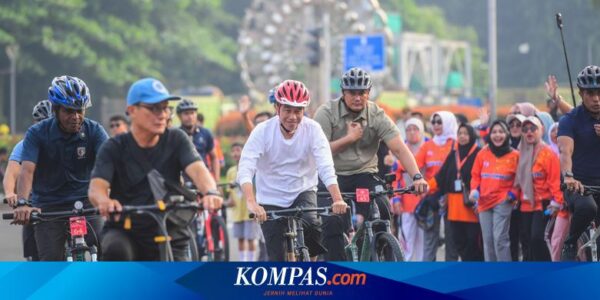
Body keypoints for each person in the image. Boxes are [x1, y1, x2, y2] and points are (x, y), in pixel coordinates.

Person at [88, 77, 223, 261]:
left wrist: (211, 192)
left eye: (165, 108)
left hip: (171, 228)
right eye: (153, 108)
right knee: (115, 250)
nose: (162, 114)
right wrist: (104, 201)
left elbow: (198, 170)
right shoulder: (113, 147)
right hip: (127, 229)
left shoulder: (177, 139)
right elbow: (97, 188)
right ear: (132, 111)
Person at [313, 67, 428, 261]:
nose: (357, 98)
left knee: (382, 209)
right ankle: (339, 271)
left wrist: (417, 176)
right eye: (352, 93)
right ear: (343, 93)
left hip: (364, 175)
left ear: (369, 92)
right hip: (332, 177)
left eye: (362, 93)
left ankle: (382, 258)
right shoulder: (326, 113)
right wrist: (349, 139)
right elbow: (317, 152)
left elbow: (399, 148)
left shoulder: (376, 114)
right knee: (331, 224)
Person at [237, 80, 348, 261]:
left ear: (304, 110)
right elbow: (246, 168)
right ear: (277, 108)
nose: (293, 117)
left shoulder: (313, 130)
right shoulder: (262, 131)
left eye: (298, 111)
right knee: (277, 257)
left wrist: (337, 199)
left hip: (302, 190)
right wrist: (252, 202)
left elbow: (326, 166)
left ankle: (309, 264)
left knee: (313, 226)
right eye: (287, 110)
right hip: (270, 197)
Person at [13, 76, 108, 261]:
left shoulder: (94, 130)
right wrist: (23, 203)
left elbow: (109, 163)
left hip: (87, 204)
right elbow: (27, 171)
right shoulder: (37, 133)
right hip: (49, 207)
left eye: (80, 110)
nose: (76, 117)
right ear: (55, 110)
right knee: (50, 266)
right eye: (69, 111)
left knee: (110, 250)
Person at [558, 65, 600, 261]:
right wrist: (568, 175)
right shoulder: (570, 119)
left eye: (599, 93)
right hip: (578, 185)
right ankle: (570, 242)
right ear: (581, 93)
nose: (596, 99)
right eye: (590, 93)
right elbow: (565, 151)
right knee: (588, 208)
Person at [3, 100, 53, 261]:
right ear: (35, 123)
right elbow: (11, 173)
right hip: (35, 200)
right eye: (41, 122)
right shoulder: (25, 145)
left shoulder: (71, 140)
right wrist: (11, 193)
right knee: (32, 235)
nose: (46, 128)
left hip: (66, 197)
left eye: (50, 122)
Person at [469, 120, 520, 262]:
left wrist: (513, 194)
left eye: (501, 132)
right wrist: (474, 190)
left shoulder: (515, 155)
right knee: (488, 240)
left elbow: (520, 178)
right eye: (494, 132)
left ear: (507, 134)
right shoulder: (483, 153)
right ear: (490, 135)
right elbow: (475, 175)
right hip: (483, 201)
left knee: (500, 239)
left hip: (503, 200)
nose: (498, 135)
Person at [432, 123, 483, 261]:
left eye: (466, 133)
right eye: (460, 133)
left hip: (471, 207)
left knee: (473, 242)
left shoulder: (479, 153)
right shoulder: (454, 154)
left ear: (471, 135)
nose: (462, 136)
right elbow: (440, 176)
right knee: (458, 242)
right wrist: (425, 187)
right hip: (454, 208)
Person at [514, 116, 562, 261]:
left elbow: (555, 181)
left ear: (540, 130)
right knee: (527, 241)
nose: (529, 132)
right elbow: (516, 181)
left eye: (533, 129)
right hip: (524, 206)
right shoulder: (520, 152)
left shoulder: (548, 154)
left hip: (543, 205)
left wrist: (557, 201)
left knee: (538, 239)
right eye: (525, 129)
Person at [414, 111, 457, 261]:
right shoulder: (428, 145)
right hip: (431, 198)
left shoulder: (456, 145)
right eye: (434, 122)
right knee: (430, 239)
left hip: (451, 198)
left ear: (448, 123)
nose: (436, 125)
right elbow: (412, 165)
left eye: (440, 122)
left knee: (452, 240)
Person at [392, 117, 427, 261]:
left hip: (426, 203)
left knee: (424, 242)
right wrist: (395, 199)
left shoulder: (428, 147)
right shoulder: (401, 151)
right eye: (408, 129)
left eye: (415, 129)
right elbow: (396, 178)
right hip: (406, 203)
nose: (412, 133)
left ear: (422, 131)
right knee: (406, 240)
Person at [225, 142, 260, 262]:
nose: (236, 153)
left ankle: (251, 262)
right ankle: (242, 261)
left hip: (249, 212)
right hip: (237, 212)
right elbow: (231, 195)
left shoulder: (252, 169)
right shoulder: (230, 172)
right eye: (233, 151)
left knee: (251, 238)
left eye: (238, 150)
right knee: (240, 238)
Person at [176, 99, 220, 180]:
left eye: (192, 113)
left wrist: (216, 180)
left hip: (203, 178)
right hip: (182, 181)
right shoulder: (175, 135)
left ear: (196, 114)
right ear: (179, 116)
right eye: (186, 114)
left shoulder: (206, 133)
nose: (190, 117)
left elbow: (214, 157)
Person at [505, 113, 525, 261]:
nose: (515, 128)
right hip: (508, 197)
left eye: (519, 125)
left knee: (525, 237)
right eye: (511, 125)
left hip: (526, 198)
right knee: (510, 235)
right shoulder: (505, 146)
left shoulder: (531, 145)